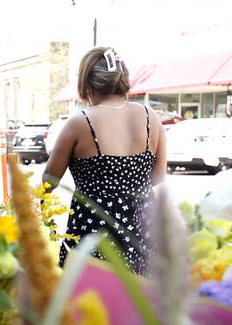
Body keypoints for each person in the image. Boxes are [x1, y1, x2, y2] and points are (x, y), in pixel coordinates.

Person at [43, 47, 167, 275]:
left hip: (94, 234)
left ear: (87, 85)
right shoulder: (151, 117)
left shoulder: (79, 123)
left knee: (92, 305)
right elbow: (159, 176)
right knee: (138, 303)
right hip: (142, 231)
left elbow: (49, 182)